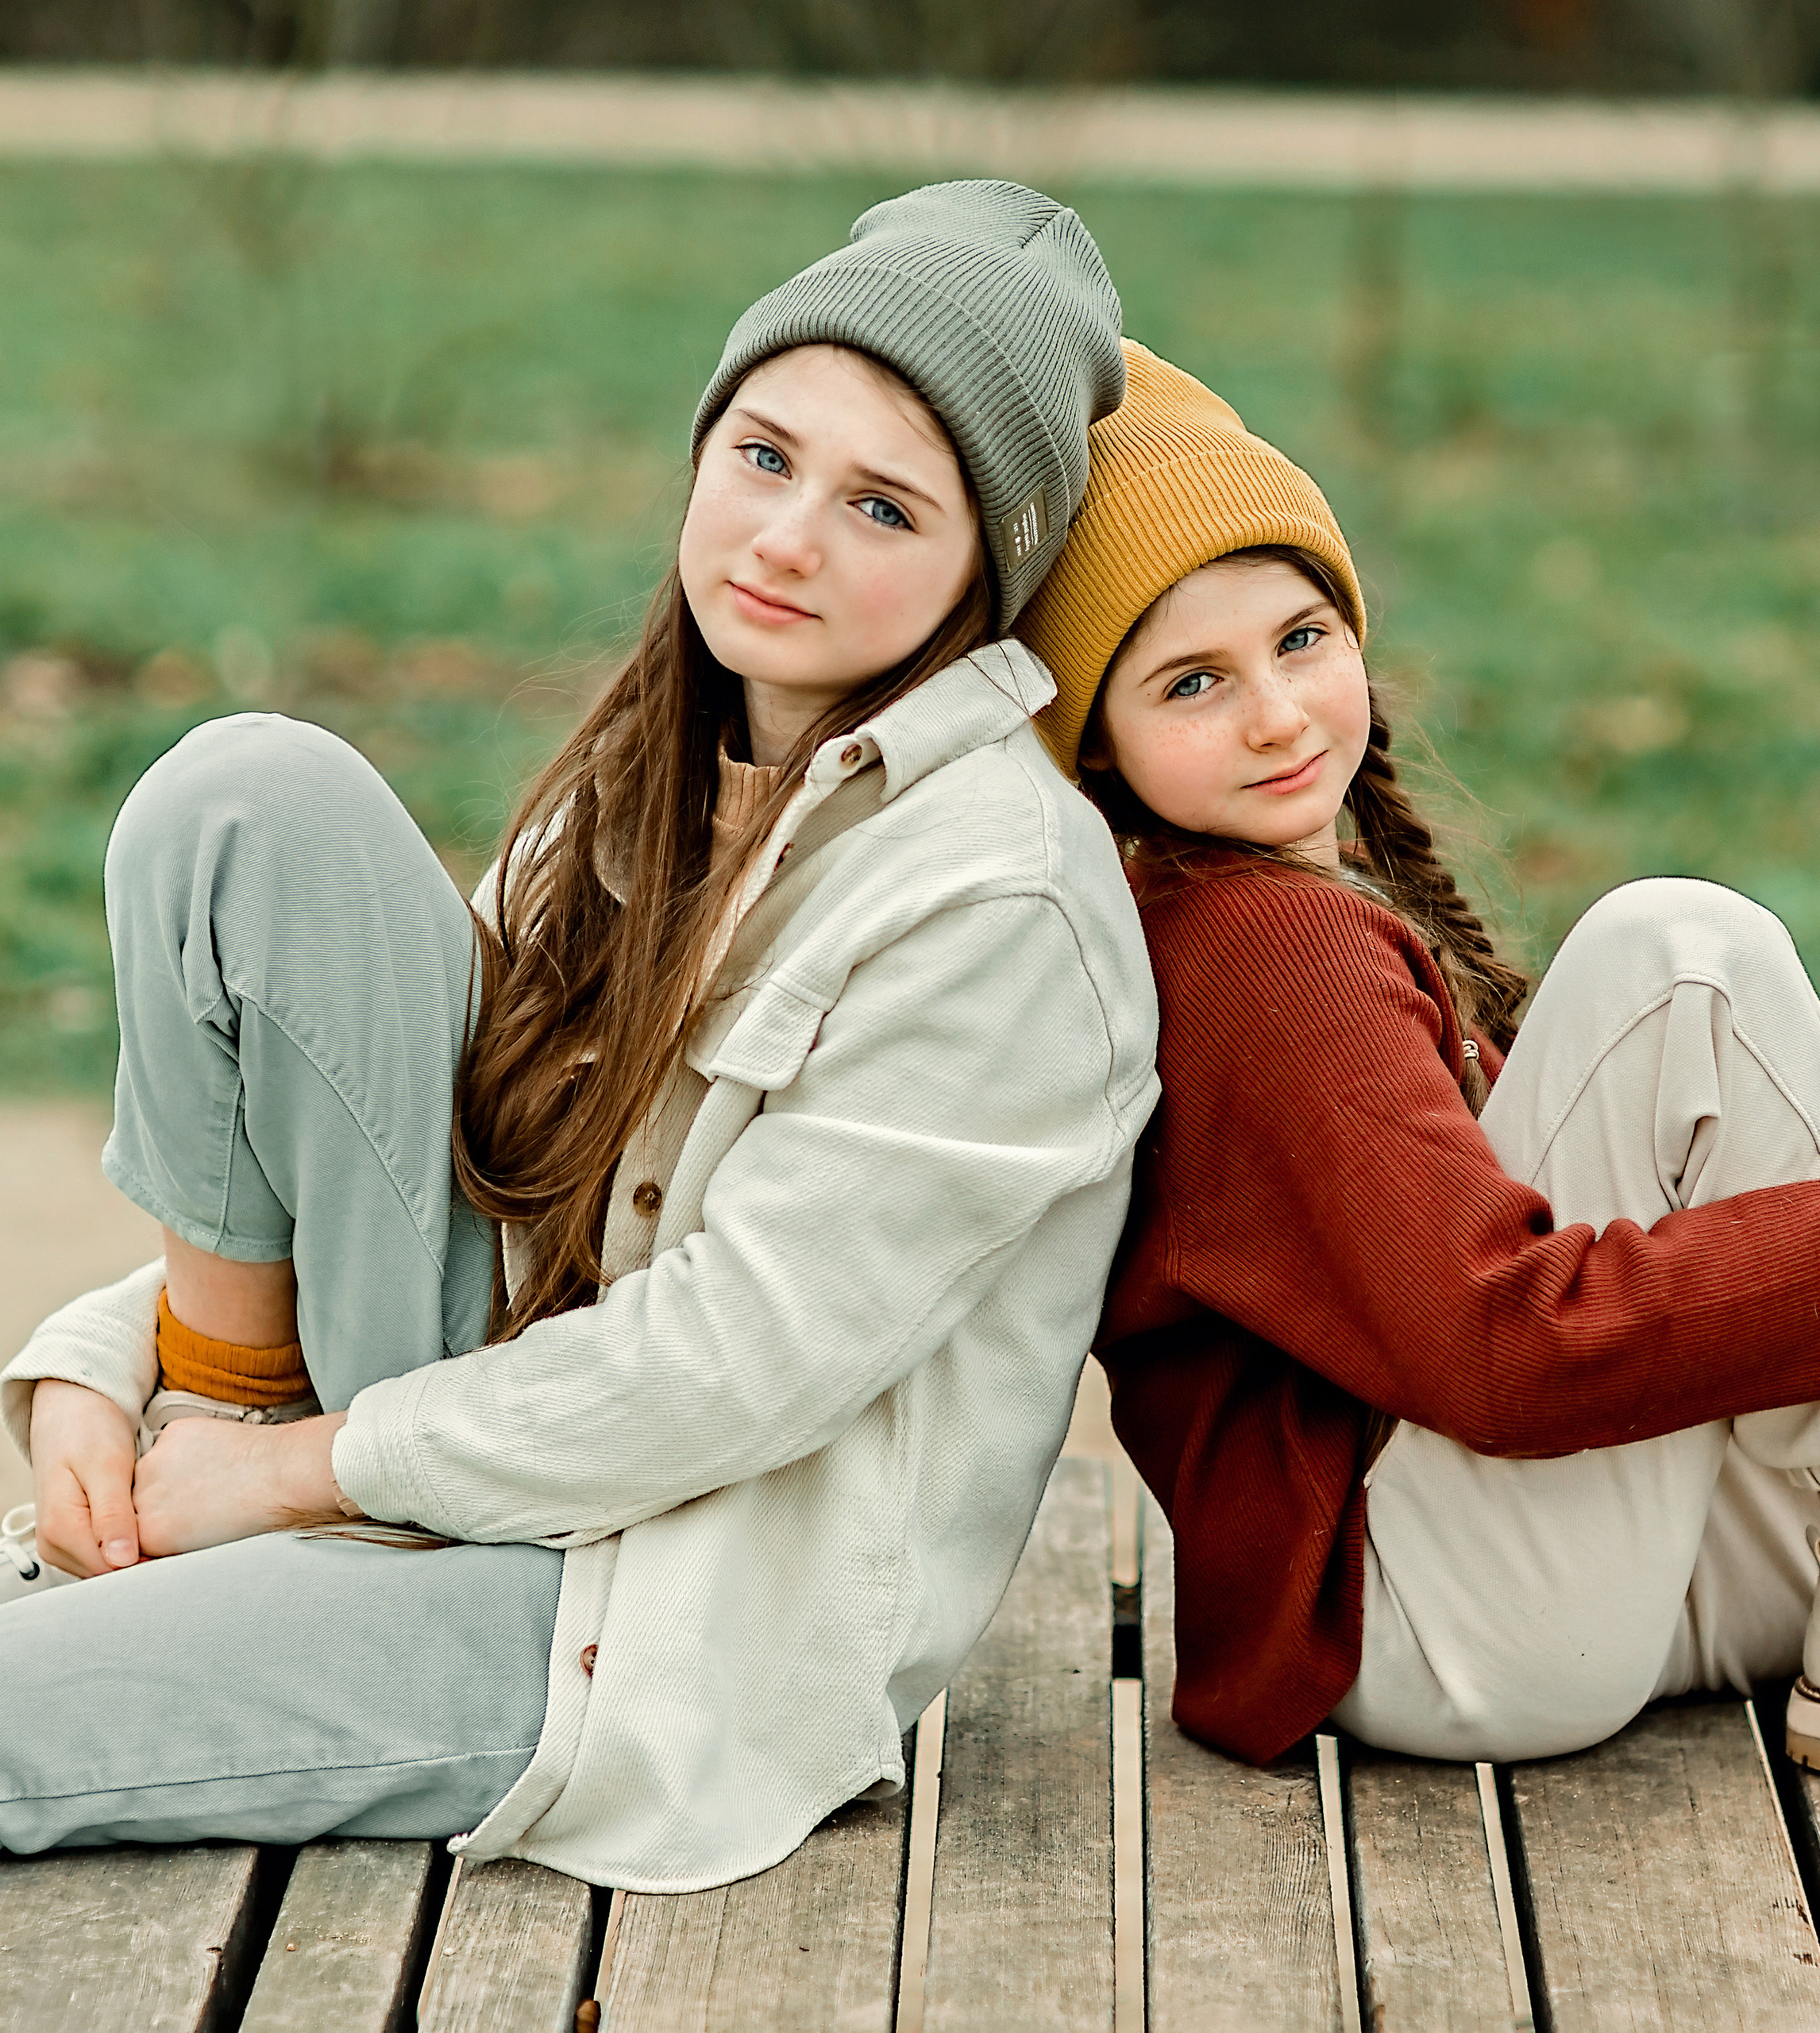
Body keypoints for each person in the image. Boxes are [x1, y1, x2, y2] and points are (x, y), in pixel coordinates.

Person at [0, 182, 1160, 1892]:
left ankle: (233, 1530)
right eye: (763, 455)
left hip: (639, 1613)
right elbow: (372, 1117)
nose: (783, 539)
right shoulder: (649, 775)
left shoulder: (1000, 907)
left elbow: (725, 1367)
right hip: (450, 1410)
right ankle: (214, 1452)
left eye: (882, 507)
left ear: (986, 566)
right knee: (247, 796)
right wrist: (123, 1369)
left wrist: (286, 1478)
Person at [1015, 338, 1820, 1783]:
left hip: (1496, 1596)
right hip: (1436, 1621)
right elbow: (1503, 1354)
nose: (1277, 711)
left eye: (1302, 638)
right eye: (1190, 683)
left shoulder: (1259, 916)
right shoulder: (1258, 957)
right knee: (1681, 958)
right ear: (1097, 747)